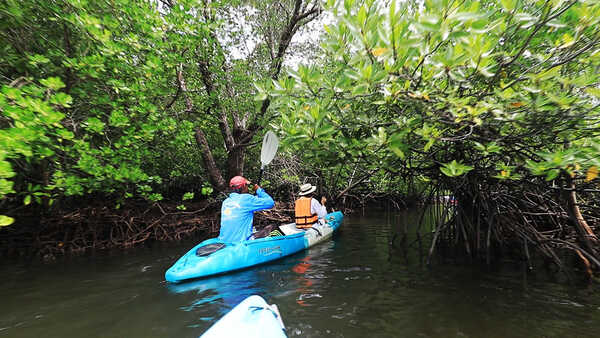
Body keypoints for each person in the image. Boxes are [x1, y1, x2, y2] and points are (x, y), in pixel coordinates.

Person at [219, 175, 275, 242]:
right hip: (241, 242)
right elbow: (270, 203)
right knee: (273, 227)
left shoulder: (225, 202)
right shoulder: (247, 199)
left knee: (255, 228)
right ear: (243, 187)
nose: (247, 188)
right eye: (246, 185)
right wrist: (259, 190)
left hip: (224, 241)